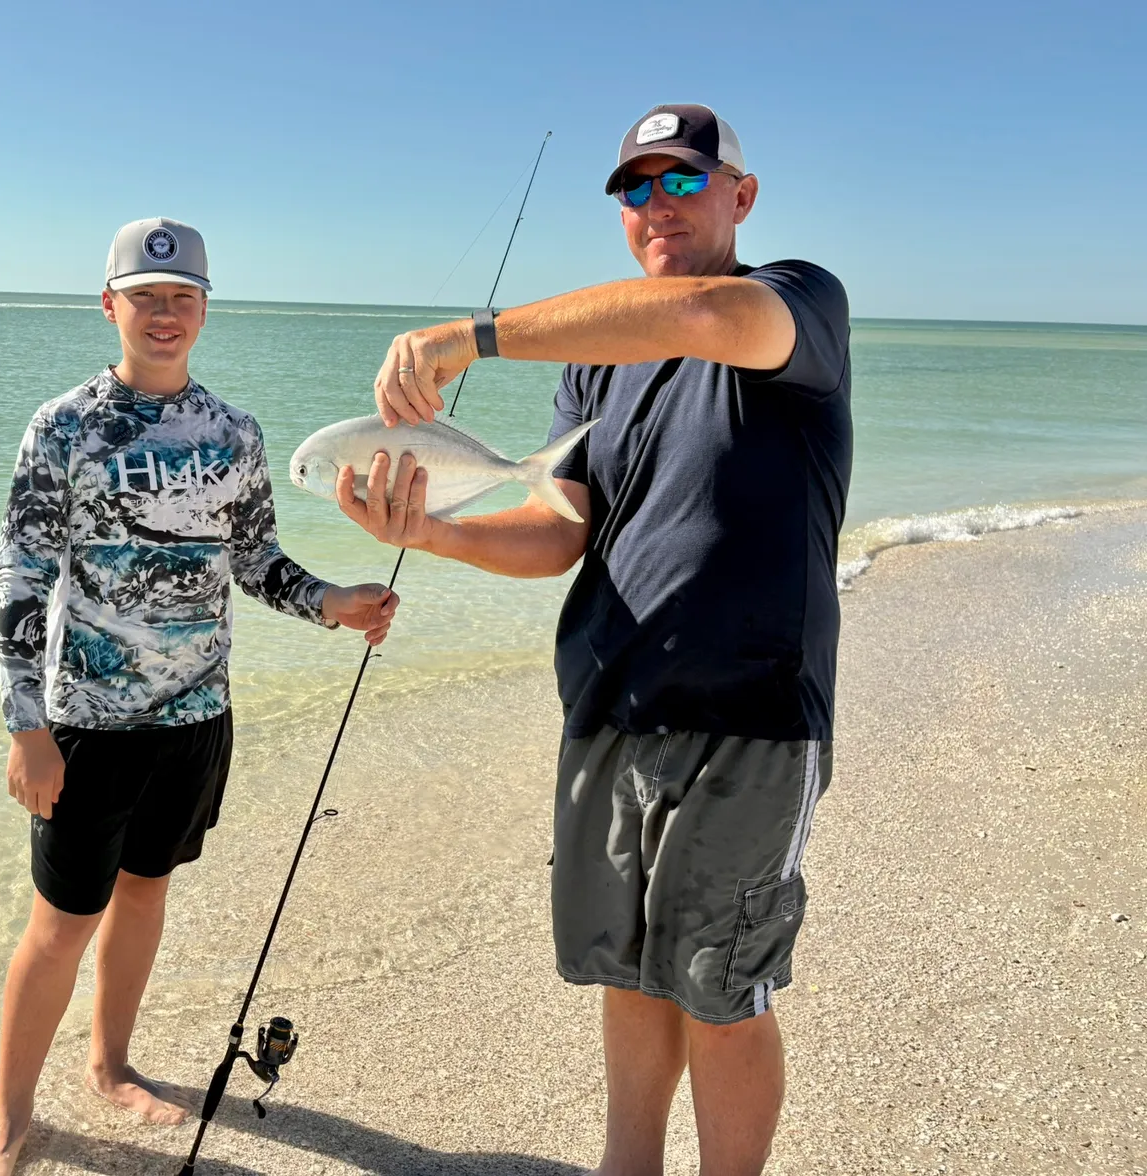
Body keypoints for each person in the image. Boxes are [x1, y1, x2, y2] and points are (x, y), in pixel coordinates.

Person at [336, 105, 851, 1175]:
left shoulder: (796, 301)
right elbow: (565, 528)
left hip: (750, 716)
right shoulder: (597, 374)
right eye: (635, 189)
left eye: (683, 182)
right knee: (626, 972)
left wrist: (471, 338)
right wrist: (428, 531)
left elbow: (704, 316)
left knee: (719, 987)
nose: (656, 205)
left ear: (740, 197)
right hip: (609, 705)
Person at [0, 218, 401, 1176]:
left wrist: (333, 603)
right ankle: (7, 1120)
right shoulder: (65, 426)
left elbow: (254, 564)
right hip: (86, 725)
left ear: (205, 310)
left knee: (146, 892)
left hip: (198, 718)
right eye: (147, 297)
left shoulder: (235, 433)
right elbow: (21, 575)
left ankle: (111, 1066)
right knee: (60, 924)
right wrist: (25, 723)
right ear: (110, 303)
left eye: (184, 299)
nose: (166, 315)